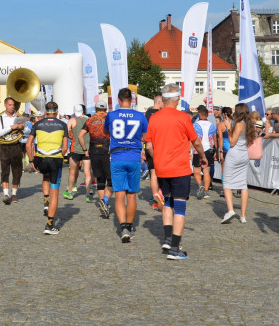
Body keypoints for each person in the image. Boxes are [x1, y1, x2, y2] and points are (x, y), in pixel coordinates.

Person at [144, 84, 207, 260]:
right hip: (179, 168)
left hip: (162, 168)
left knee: (167, 203)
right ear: (177, 99)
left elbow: (149, 145)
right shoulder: (183, 117)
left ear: (162, 99)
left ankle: (166, 238)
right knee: (179, 206)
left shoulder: (154, 118)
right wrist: (202, 156)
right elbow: (196, 141)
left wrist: (157, 158)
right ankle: (175, 248)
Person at [106, 88, 148, 242]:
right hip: (134, 156)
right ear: (132, 100)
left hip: (117, 156)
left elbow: (107, 132)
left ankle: (123, 225)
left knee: (119, 195)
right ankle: (129, 226)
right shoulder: (140, 116)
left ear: (118, 100)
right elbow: (144, 136)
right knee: (132, 195)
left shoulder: (111, 115)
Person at [27, 101, 68, 235]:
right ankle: (49, 225)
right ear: (57, 112)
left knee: (45, 176)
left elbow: (28, 144)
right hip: (55, 159)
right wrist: (59, 156)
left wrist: (32, 160)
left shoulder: (38, 123)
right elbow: (65, 147)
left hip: (41, 159)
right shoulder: (62, 124)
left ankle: (46, 200)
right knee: (55, 192)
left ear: (45, 112)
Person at [220, 103, 255, 224]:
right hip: (244, 155)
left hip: (234, 155)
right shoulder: (249, 124)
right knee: (243, 184)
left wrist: (229, 128)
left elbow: (232, 142)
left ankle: (230, 210)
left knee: (227, 182)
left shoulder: (239, 124)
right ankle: (243, 216)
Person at [79, 101, 112, 217]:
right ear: (106, 108)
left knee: (100, 179)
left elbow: (80, 136)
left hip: (93, 151)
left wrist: (85, 150)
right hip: (107, 150)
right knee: (111, 179)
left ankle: (104, 205)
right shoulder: (109, 118)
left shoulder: (90, 120)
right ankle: (105, 201)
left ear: (96, 108)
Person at [0, 97, 26, 204]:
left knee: (17, 171)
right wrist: (12, 127)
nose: (12, 107)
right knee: (5, 170)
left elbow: (29, 130)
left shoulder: (19, 117)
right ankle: (6, 194)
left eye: (13, 105)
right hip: (5, 147)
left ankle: (14, 194)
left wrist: (22, 128)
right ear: (5, 105)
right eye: (10, 105)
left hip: (16, 146)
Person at [63, 105, 90, 200]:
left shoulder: (72, 120)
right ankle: (87, 194)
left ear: (74, 111)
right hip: (87, 149)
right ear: (83, 111)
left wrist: (72, 135)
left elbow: (66, 133)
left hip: (75, 149)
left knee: (72, 171)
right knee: (87, 173)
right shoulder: (88, 119)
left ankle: (70, 192)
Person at [192, 106, 216, 199]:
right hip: (209, 150)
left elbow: (192, 139)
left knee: (197, 171)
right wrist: (217, 151)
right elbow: (215, 140)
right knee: (207, 172)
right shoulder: (212, 125)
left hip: (197, 150)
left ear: (200, 114)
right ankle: (206, 192)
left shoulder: (195, 125)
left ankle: (199, 185)